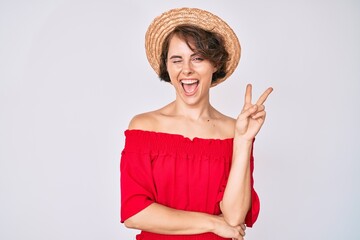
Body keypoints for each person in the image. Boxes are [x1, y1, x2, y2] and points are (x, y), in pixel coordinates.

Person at [120, 7, 273, 240]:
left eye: (198, 58)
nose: (187, 69)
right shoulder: (144, 126)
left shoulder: (235, 131)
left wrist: (243, 140)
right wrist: (212, 222)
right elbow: (135, 213)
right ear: (167, 67)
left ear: (215, 64)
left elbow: (233, 219)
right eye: (177, 59)